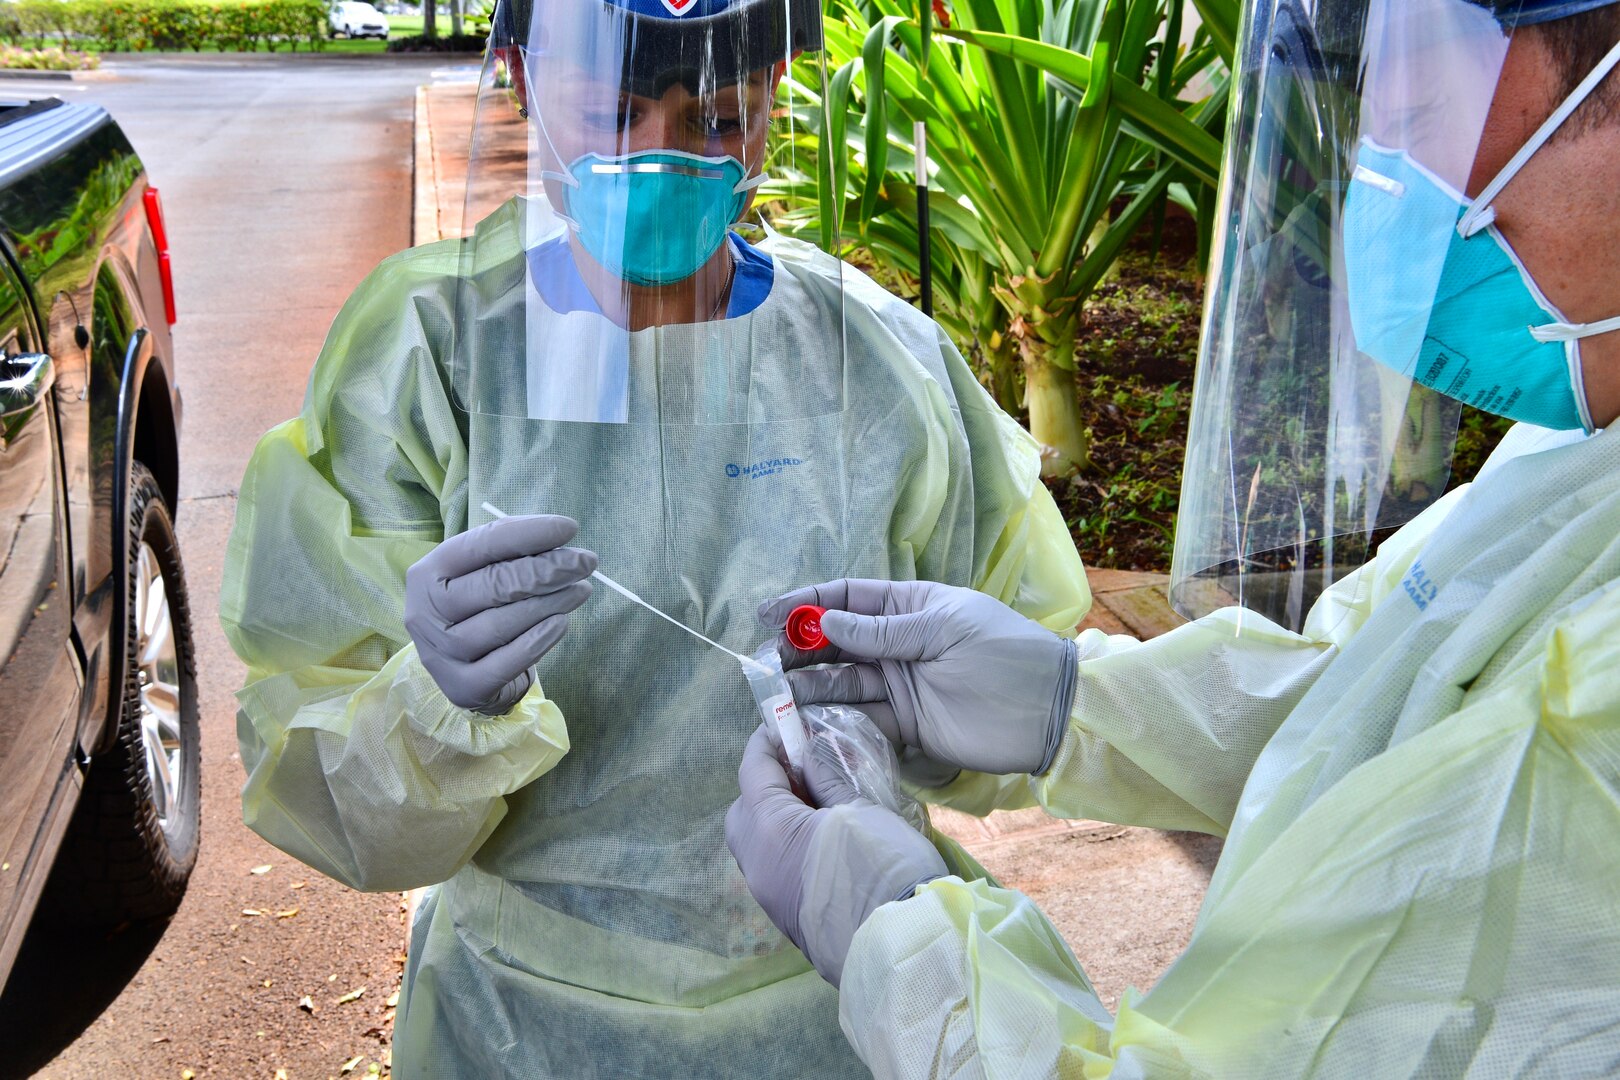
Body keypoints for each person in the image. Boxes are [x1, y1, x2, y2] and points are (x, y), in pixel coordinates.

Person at [727, 0, 1620, 1075]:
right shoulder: (1574, 455)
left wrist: (903, 944)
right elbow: (1388, 708)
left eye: (1420, 103)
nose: (1380, 177)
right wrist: (1075, 706)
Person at [218, 0, 1089, 1074]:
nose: (661, 157)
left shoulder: (878, 365)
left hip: (846, 1003)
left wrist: (924, 724)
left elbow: (1022, 689)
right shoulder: (434, 361)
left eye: (719, 118)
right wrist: (430, 708)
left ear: (775, 103)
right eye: (611, 111)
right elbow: (319, 773)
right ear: (524, 79)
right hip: (525, 1026)